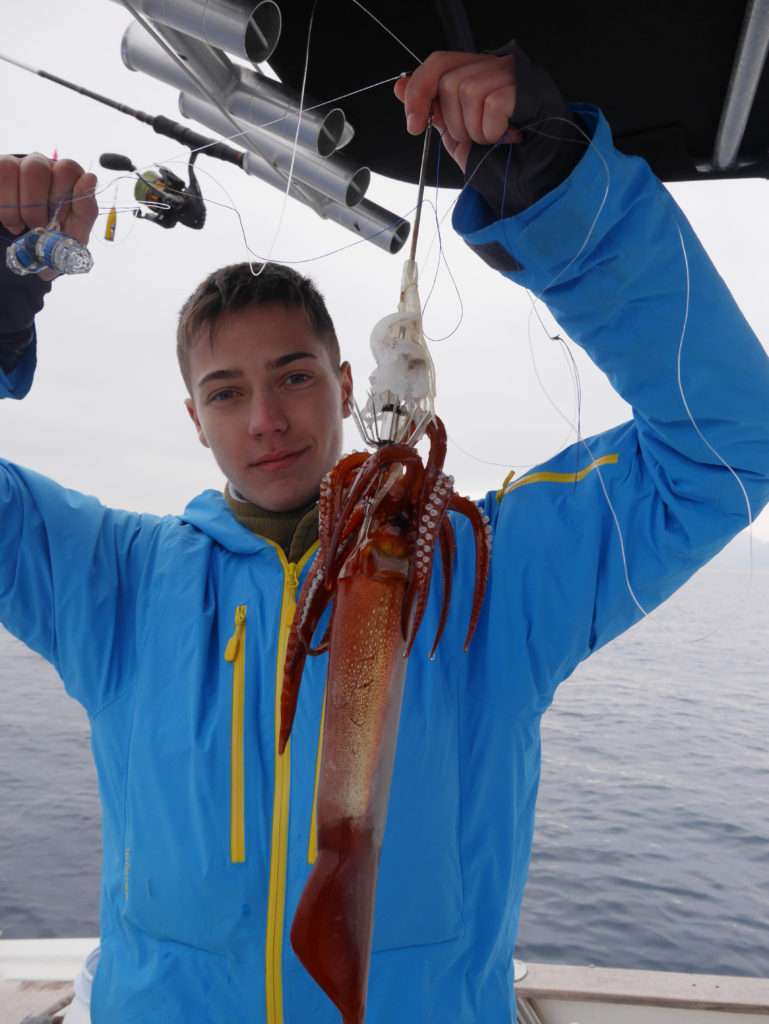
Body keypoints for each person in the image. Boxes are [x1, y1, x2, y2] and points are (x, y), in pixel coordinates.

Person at [2, 48, 768, 1024]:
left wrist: (567, 204)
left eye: (292, 375)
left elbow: (728, 446)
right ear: (193, 418)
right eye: (227, 392)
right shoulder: (110, 583)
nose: (266, 419)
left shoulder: (484, 573)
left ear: (347, 385)